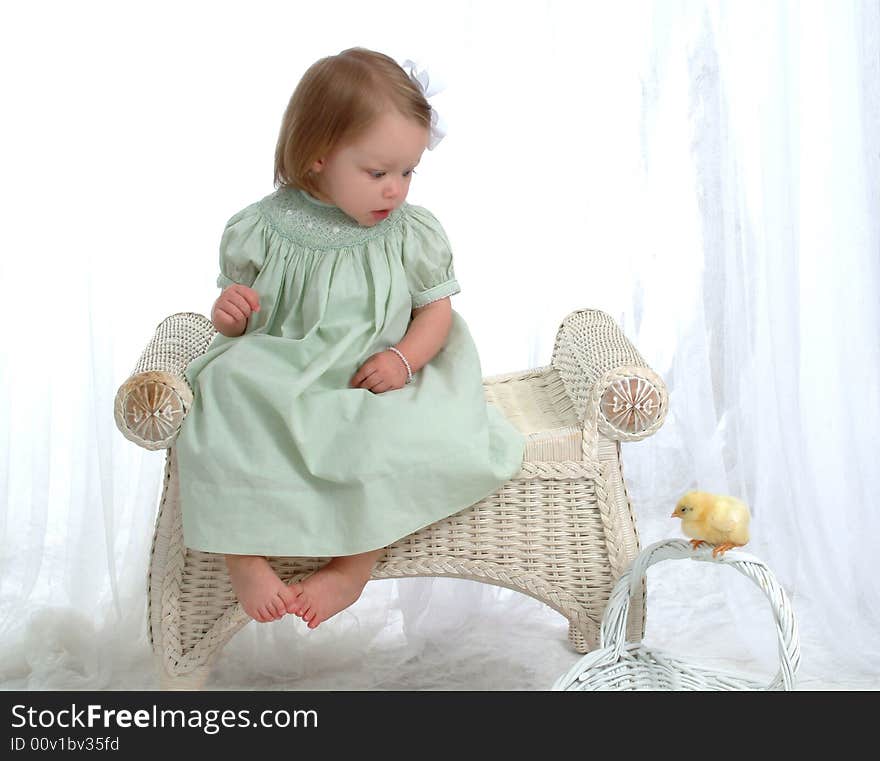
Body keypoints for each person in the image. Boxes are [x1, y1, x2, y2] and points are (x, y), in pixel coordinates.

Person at [175, 47, 525, 630]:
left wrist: (403, 358)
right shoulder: (260, 227)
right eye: (377, 173)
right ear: (317, 157)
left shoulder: (411, 234)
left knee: (389, 435)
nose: (395, 190)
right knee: (223, 396)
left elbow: (435, 315)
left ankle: (353, 566)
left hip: (375, 373)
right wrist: (230, 313)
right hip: (283, 364)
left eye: (408, 172)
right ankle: (243, 552)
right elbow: (237, 316)